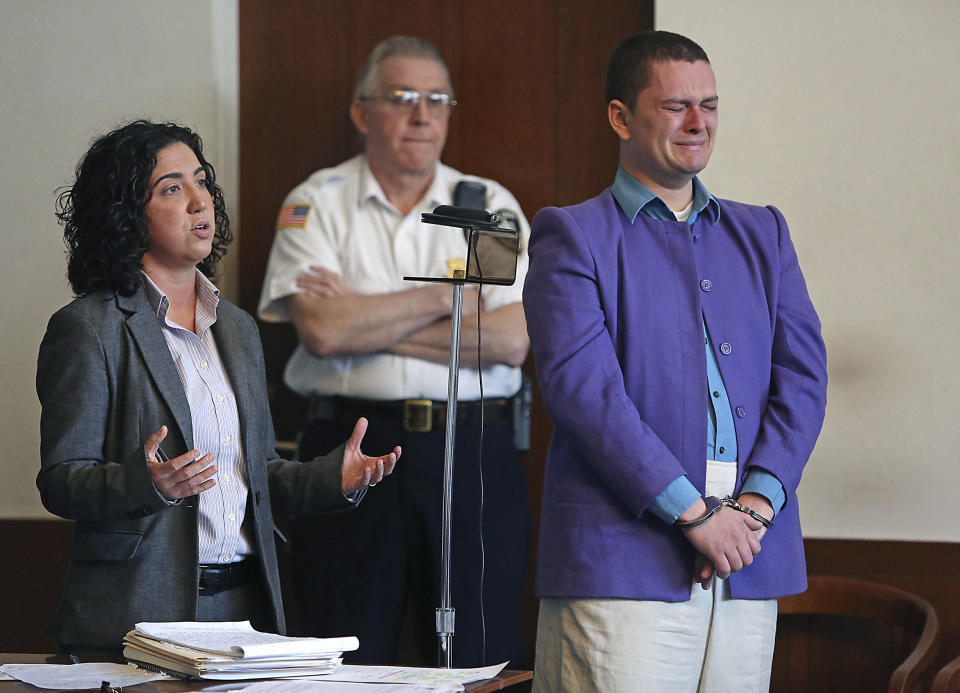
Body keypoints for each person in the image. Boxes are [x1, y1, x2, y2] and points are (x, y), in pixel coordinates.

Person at [523, 31, 828, 692]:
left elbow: (803, 380)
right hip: (620, 564)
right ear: (620, 117)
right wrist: (695, 515)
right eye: (677, 106)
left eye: (710, 105)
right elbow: (586, 396)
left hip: (750, 554)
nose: (699, 123)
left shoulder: (764, 232)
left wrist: (754, 507)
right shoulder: (572, 234)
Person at [36, 120, 400, 654]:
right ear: (125, 214)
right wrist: (148, 484)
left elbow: (258, 478)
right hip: (141, 615)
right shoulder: (89, 327)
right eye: (172, 189)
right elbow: (62, 481)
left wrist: (334, 480)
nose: (199, 202)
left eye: (202, 182)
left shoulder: (236, 328)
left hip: (246, 611)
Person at [258, 36, 531, 667]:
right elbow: (322, 333)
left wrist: (363, 313)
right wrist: (452, 298)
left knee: (478, 656)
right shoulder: (317, 201)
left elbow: (512, 340)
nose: (422, 115)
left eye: (437, 99)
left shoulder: (486, 207)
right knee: (345, 651)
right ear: (362, 113)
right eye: (402, 97)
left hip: (472, 452)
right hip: (353, 444)